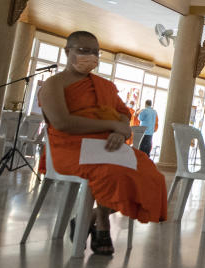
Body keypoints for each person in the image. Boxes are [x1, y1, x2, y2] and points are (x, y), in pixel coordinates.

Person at [38, 31, 168, 255]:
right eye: (83, 51)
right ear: (67, 51)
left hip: (107, 144)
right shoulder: (53, 85)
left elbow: (123, 114)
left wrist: (118, 131)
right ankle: (104, 225)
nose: (90, 56)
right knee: (113, 174)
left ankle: (92, 215)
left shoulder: (104, 86)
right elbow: (62, 123)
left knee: (151, 175)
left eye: (95, 52)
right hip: (71, 148)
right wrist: (111, 126)